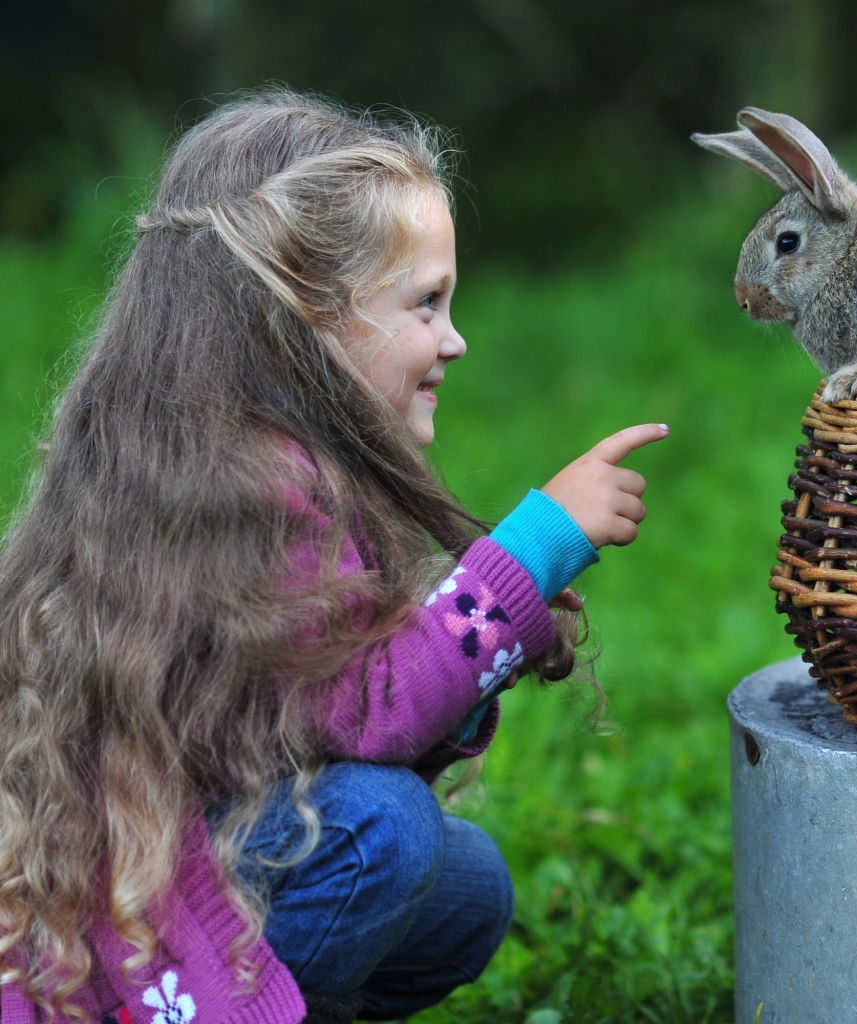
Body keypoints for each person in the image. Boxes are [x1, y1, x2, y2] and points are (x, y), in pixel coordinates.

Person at [0, 90, 667, 1024]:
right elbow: (370, 711)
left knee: (466, 885)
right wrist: (537, 548)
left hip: (195, 853)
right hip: (142, 902)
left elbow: (325, 712)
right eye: (426, 305)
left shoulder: (234, 453)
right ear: (306, 312)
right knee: (383, 831)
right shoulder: (246, 479)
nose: (455, 340)